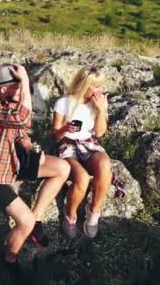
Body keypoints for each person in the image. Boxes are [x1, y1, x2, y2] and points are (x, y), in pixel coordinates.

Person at [0, 63, 70, 271]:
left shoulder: (8, 101)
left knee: (62, 168)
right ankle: (8, 259)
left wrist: (32, 149)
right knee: (24, 222)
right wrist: (24, 79)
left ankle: (38, 221)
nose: (24, 90)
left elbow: (19, 132)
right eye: (19, 86)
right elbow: (22, 119)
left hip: (12, 162)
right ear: (5, 88)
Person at [51, 66, 111, 239]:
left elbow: (99, 133)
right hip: (68, 145)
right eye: (96, 86)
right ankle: (70, 215)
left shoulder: (97, 103)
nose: (100, 90)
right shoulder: (63, 103)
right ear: (85, 85)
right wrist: (65, 128)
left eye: (101, 85)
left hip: (88, 143)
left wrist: (102, 110)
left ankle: (93, 212)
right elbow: (56, 135)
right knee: (82, 178)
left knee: (105, 164)